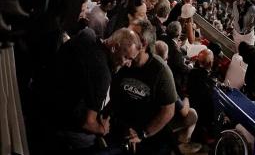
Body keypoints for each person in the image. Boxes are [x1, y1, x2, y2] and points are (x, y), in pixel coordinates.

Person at [46, 28, 140, 152]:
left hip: (45, 97)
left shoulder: (87, 35)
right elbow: (88, 122)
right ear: (114, 48)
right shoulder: (102, 73)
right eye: (127, 58)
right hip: (61, 123)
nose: (128, 64)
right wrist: (103, 129)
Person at [107, 26, 178, 155]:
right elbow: (114, 95)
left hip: (148, 138)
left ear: (143, 44)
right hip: (121, 128)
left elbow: (168, 111)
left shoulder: (160, 70)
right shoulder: (123, 59)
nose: (127, 36)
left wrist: (143, 133)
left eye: (132, 35)